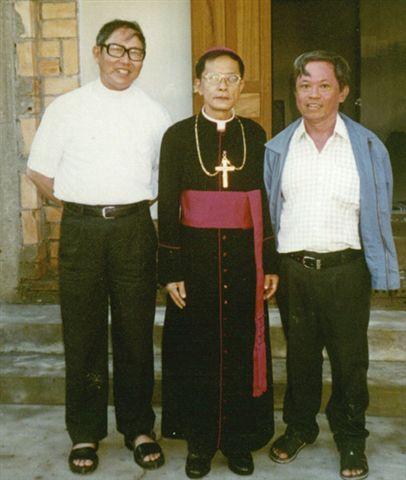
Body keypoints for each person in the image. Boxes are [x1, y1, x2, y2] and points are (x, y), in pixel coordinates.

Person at [27, 19, 171, 475]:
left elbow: (161, 180)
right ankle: (85, 433)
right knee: (83, 333)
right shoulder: (67, 107)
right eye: (116, 49)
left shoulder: (155, 113)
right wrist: (82, 205)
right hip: (82, 231)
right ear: (96, 52)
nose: (125, 60)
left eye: (135, 52)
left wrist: (122, 206)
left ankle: (139, 428)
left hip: (134, 230)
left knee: (135, 332)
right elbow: (39, 172)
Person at [264, 50, 400, 480]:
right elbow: (269, 213)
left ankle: (351, 436)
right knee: (300, 357)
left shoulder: (368, 147)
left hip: (347, 271)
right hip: (294, 270)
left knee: (349, 360)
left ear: (342, 92)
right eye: (305, 85)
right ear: (295, 92)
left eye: (324, 86)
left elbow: (379, 213)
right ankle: (299, 428)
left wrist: (384, 268)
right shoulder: (278, 148)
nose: (313, 95)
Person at [158, 47, 279, 478]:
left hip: (246, 259)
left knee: (242, 345)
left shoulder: (256, 134)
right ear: (198, 85)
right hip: (195, 261)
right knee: (196, 350)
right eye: (214, 78)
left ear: (241, 86)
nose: (222, 86)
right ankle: (200, 442)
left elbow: (265, 201)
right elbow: (168, 203)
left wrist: (271, 262)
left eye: (231, 78)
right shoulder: (177, 136)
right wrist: (170, 270)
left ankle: (238, 441)